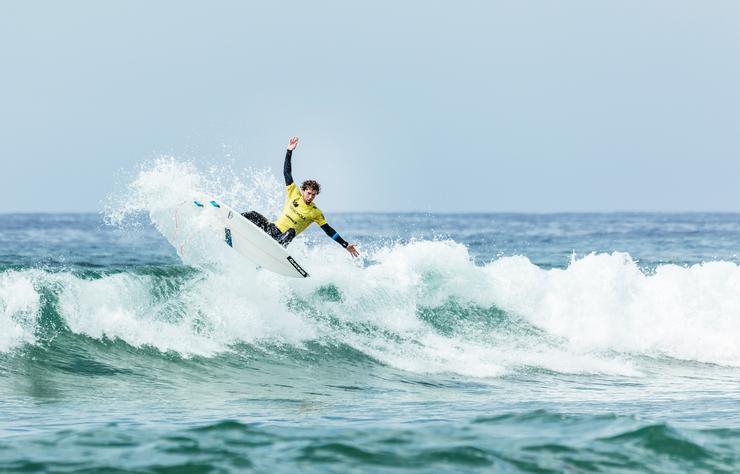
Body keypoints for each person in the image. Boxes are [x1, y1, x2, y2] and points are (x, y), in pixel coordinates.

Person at [242, 137, 360, 257]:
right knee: (252, 214)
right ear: (303, 190)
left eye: (314, 195)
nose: (311, 197)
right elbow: (287, 173)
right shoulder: (294, 193)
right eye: (309, 193)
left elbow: (329, 230)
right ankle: (227, 222)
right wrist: (289, 151)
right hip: (271, 229)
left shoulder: (315, 212)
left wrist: (345, 244)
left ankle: (274, 251)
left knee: (291, 231)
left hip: (282, 238)